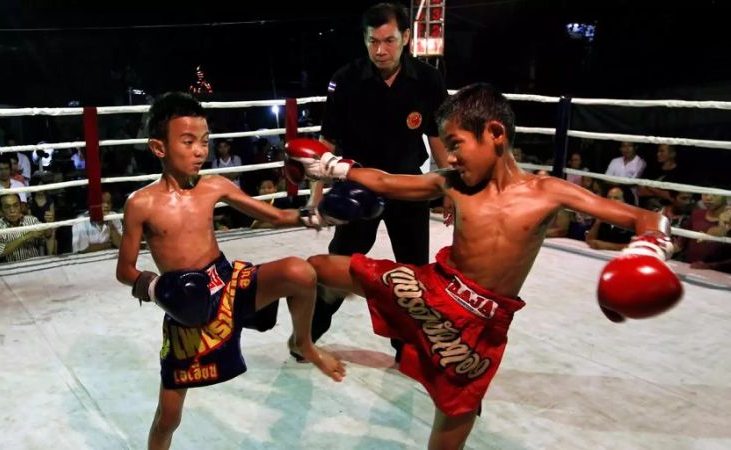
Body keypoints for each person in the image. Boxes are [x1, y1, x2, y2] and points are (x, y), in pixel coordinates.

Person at [286, 83, 681, 450]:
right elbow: (387, 181)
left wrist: (646, 252)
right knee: (315, 266)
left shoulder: (547, 192)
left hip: (477, 325)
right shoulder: (451, 183)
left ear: (495, 133)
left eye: (456, 143)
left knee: (451, 424)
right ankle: (292, 333)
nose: (450, 156)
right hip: (430, 288)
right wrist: (333, 166)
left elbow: (648, 220)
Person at [114, 92, 346, 450]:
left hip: (226, 282)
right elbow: (125, 270)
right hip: (184, 304)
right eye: (188, 142)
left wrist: (317, 214)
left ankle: (303, 342)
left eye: (204, 142)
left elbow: (275, 215)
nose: (199, 151)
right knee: (168, 417)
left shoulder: (215, 186)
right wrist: (157, 287)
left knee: (300, 273)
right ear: (159, 148)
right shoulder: (141, 203)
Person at [307, 2, 450, 360]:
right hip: (357, 188)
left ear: (405, 37)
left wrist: (451, 190)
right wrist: (316, 199)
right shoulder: (346, 79)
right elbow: (326, 143)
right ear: (365, 40)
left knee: (414, 274)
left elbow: (438, 139)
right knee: (340, 264)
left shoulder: (429, 81)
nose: (380, 50)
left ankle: (406, 346)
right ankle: (308, 335)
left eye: (388, 40)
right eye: (373, 41)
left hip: (407, 186)